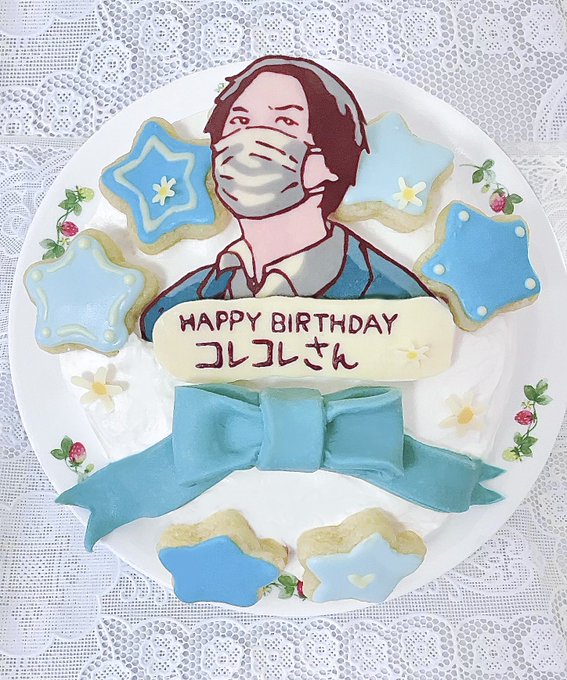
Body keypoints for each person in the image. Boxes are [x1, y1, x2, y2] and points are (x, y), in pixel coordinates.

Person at [140, 55, 430, 341]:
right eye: (240, 120)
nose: (249, 139)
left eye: (284, 122)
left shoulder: (399, 301)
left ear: (328, 162)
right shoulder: (177, 309)